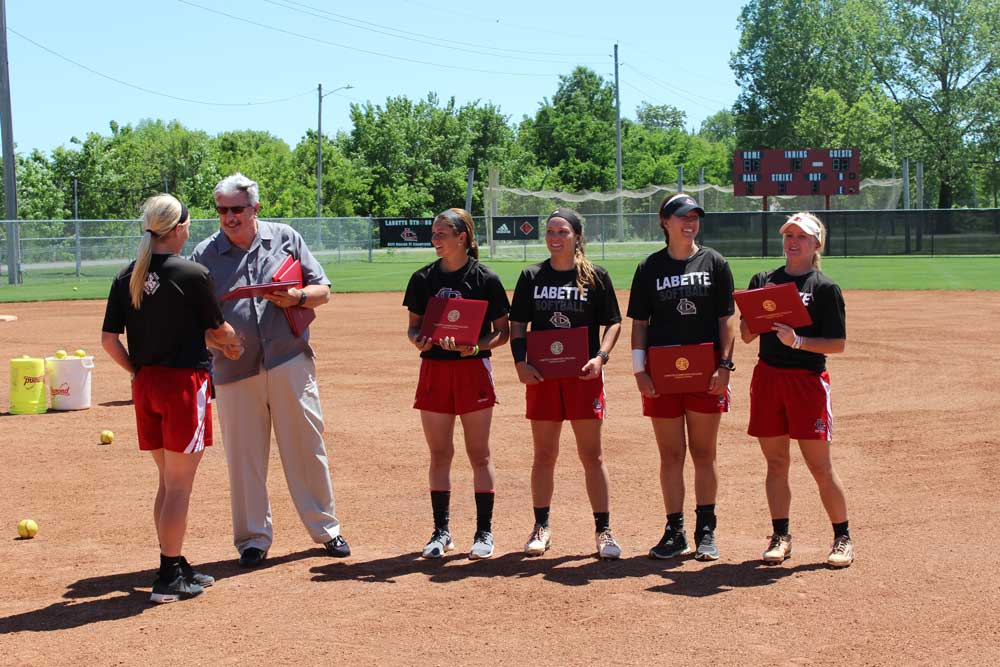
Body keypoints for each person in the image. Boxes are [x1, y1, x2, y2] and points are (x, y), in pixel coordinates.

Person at [190, 173, 350, 568]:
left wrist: (296, 296)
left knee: (307, 448)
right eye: (222, 210)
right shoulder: (203, 255)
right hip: (234, 368)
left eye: (237, 210)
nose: (229, 218)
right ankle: (252, 539)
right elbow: (194, 320)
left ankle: (325, 529)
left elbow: (323, 290)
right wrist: (216, 340)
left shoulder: (285, 239)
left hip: (288, 359)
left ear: (255, 209)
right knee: (244, 458)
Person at [101, 194, 243, 603]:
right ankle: (167, 576)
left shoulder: (128, 274)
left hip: (146, 386)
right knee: (180, 487)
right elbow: (219, 331)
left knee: (168, 482)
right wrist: (234, 345)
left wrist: (137, 373)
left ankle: (174, 562)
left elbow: (109, 341)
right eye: (187, 224)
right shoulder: (192, 273)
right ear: (178, 228)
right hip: (184, 387)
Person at [509, 208, 623, 560]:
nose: (555, 237)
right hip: (543, 377)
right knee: (544, 454)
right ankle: (541, 527)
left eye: (562, 231)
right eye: (550, 232)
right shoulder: (531, 276)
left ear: (577, 236)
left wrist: (600, 357)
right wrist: (520, 363)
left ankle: (603, 530)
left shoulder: (595, 276)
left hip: (583, 376)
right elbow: (517, 326)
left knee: (592, 454)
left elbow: (613, 323)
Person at [627, 193, 737, 561]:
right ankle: (675, 531)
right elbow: (640, 325)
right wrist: (638, 370)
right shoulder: (649, 268)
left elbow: (726, 321)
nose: (689, 222)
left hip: (706, 371)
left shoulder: (715, 263)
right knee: (671, 455)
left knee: (704, 453)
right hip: (662, 375)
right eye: (681, 216)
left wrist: (725, 366)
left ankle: (706, 530)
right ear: (665, 222)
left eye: (694, 216)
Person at [741, 212, 854, 568]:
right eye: (789, 234)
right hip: (768, 378)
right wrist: (750, 319)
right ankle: (781, 536)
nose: (793, 240)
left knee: (819, 466)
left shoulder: (824, 288)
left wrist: (798, 340)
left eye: (802, 236)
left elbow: (837, 344)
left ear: (816, 244)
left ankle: (842, 538)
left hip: (806, 383)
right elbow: (746, 335)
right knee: (776, 463)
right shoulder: (763, 279)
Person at [403, 208, 510, 560]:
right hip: (435, 368)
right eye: (433, 234)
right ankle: (441, 532)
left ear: (461, 237)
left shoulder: (485, 279)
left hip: (472, 369)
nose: (435, 240)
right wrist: (418, 339)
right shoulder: (422, 278)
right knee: (440, 454)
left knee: (479, 454)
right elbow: (414, 327)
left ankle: (484, 532)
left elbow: (502, 333)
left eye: (441, 234)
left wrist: (476, 346)